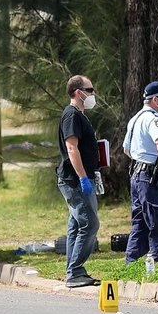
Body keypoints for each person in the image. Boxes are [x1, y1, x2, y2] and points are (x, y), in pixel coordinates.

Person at [123, 81, 158, 265]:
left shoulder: (135, 119)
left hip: (137, 176)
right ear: (155, 100)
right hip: (151, 177)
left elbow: (126, 150)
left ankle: (131, 264)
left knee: (139, 223)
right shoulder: (153, 118)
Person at [56, 75, 102, 288]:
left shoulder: (80, 115)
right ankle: (75, 272)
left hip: (83, 177)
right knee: (90, 224)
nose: (93, 94)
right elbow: (71, 148)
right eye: (89, 89)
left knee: (76, 225)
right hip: (75, 180)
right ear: (78, 92)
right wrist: (83, 177)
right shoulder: (71, 115)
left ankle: (73, 271)